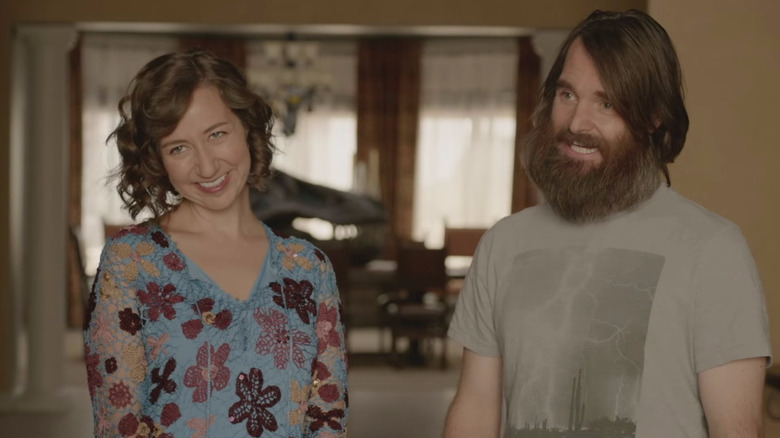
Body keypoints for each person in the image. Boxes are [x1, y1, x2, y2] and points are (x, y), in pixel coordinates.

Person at [444, 9, 771, 438]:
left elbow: (738, 431)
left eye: (607, 103)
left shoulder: (712, 249)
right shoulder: (503, 244)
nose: (578, 124)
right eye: (567, 95)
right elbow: (475, 410)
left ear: (654, 117)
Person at [83, 48, 348, 438]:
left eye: (217, 134)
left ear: (247, 127)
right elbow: (119, 425)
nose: (206, 167)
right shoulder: (132, 262)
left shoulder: (309, 268)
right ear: (158, 160)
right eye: (179, 148)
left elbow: (328, 419)